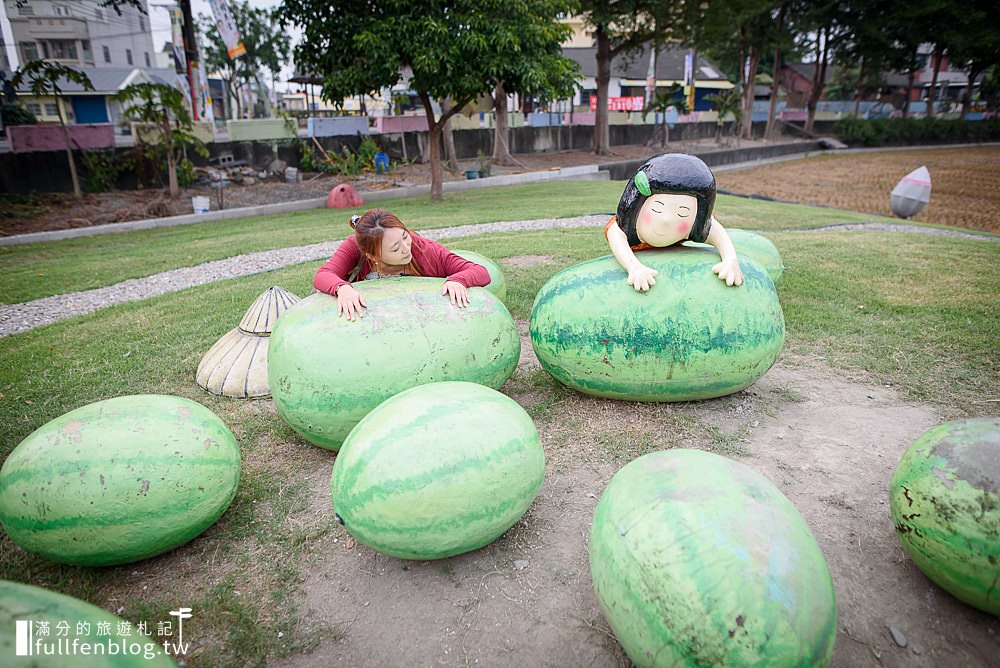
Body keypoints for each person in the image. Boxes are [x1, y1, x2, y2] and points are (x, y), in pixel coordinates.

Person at [314, 208, 491, 320]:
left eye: (405, 237)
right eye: (395, 248)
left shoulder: (423, 249)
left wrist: (457, 280)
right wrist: (343, 288)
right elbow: (323, 276)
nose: (406, 248)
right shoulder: (354, 247)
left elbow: (481, 272)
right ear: (372, 256)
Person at [606, 152, 744, 292]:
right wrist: (634, 267)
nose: (667, 219)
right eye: (657, 207)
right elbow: (616, 235)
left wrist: (730, 260)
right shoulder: (625, 227)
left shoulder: (699, 226)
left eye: (682, 212)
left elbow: (717, 232)